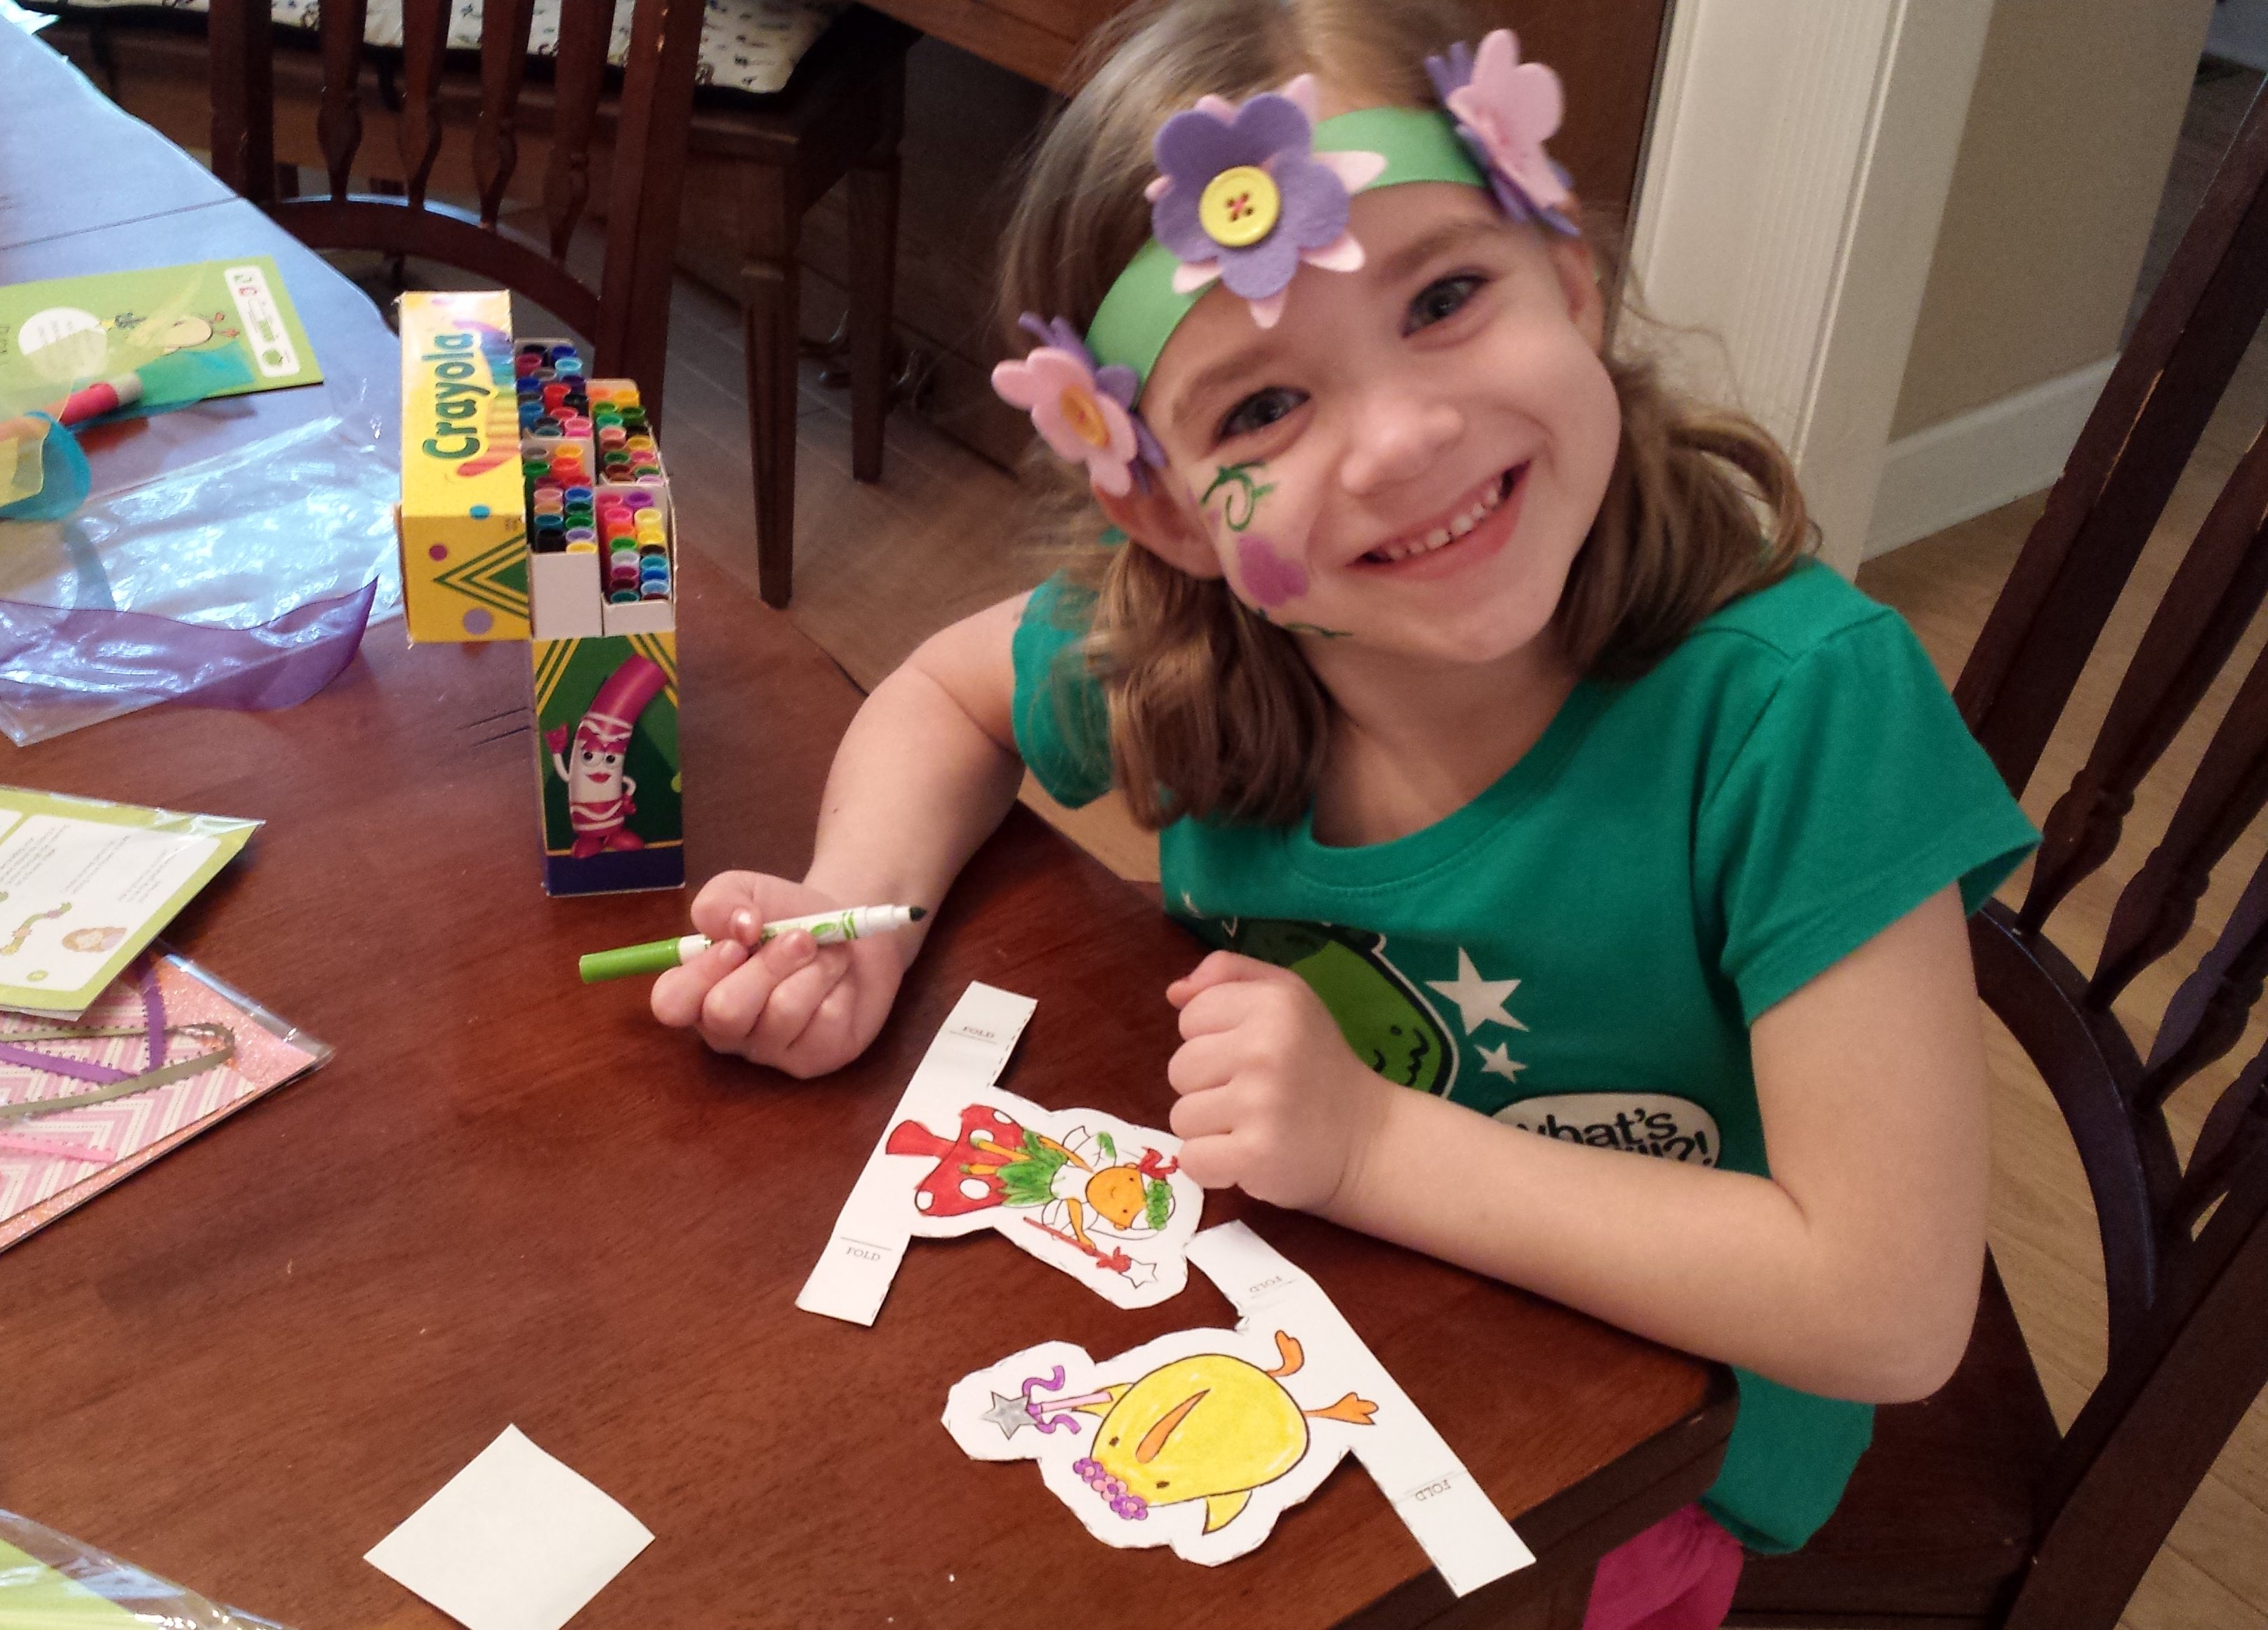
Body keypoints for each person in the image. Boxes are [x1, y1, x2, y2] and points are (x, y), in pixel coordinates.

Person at [649, 0, 2043, 1622]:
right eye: (1258, 409)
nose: (1401, 439)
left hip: (1641, 1467)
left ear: (1572, 275)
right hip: (1298, 1343)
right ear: (1162, 509)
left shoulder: (1802, 707)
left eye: (1445, 296)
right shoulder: (1207, 640)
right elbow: (946, 695)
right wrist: (861, 914)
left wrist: (1372, 1143)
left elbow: (1884, 1306)